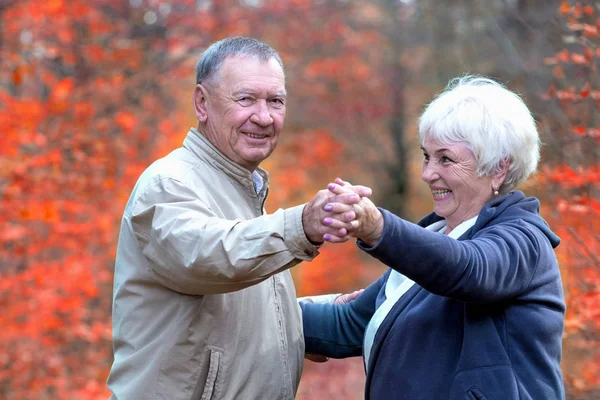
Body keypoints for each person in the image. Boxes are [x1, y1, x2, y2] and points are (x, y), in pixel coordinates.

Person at [106, 36, 367, 400]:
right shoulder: (169, 183)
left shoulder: (244, 188)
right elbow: (210, 257)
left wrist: (310, 313)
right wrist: (301, 225)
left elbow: (224, 312)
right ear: (202, 103)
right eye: (246, 99)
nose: (263, 117)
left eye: (275, 101)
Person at [300, 76, 566, 399]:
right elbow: (349, 322)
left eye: (445, 159)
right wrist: (255, 310)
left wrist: (378, 228)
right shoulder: (435, 236)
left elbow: (468, 270)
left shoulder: (525, 239)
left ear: (498, 168)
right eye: (426, 156)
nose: (428, 173)